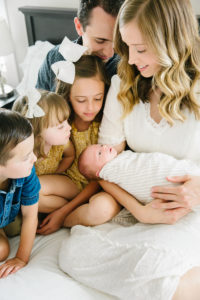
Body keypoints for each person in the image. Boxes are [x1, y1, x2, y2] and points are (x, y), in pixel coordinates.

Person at [59, 0, 200, 299]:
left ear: (172, 40)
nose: (132, 59)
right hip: (141, 207)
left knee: (157, 267)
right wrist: (141, 212)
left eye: (142, 48)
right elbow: (105, 169)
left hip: (192, 209)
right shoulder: (124, 84)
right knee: (74, 253)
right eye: (127, 46)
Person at [35, 39, 121, 235]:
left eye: (97, 98)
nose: (90, 108)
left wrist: (63, 211)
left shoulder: (106, 125)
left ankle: (64, 218)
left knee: (103, 209)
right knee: (30, 191)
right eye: (81, 100)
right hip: (69, 184)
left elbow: (100, 179)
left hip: (99, 186)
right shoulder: (62, 124)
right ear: (68, 97)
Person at [12, 88, 78, 214]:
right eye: (60, 126)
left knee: (33, 192)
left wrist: (58, 171)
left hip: (62, 182)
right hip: (39, 190)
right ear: (37, 132)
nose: (69, 128)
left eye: (67, 122)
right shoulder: (27, 153)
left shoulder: (62, 144)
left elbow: (70, 156)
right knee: (29, 196)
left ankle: (68, 208)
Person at [36, 0, 125, 91]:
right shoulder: (53, 59)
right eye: (100, 40)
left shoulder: (127, 67)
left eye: (117, 41)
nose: (110, 53)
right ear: (79, 26)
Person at [0, 109, 40, 278]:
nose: (34, 158)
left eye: (32, 151)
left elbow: (31, 215)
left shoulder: (27, 173)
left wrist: (21, 258)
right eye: (25, 157)